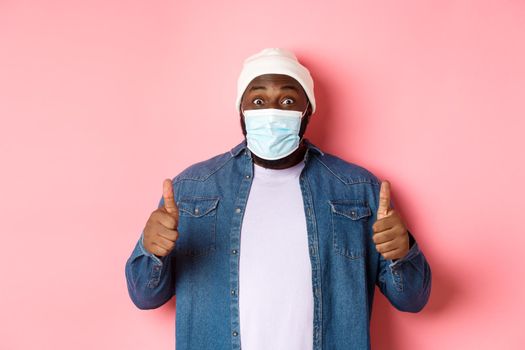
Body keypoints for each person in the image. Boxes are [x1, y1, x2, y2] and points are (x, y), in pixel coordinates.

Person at [124, 48, 432, 350]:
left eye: (287, 100)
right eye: (258, 100)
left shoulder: (358, 189)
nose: (272, 112)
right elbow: (145, 297)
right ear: (241, 111)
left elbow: (413, 299)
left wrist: (402, 253)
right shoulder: (191, 190)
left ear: (307, 110)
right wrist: (152, 253)